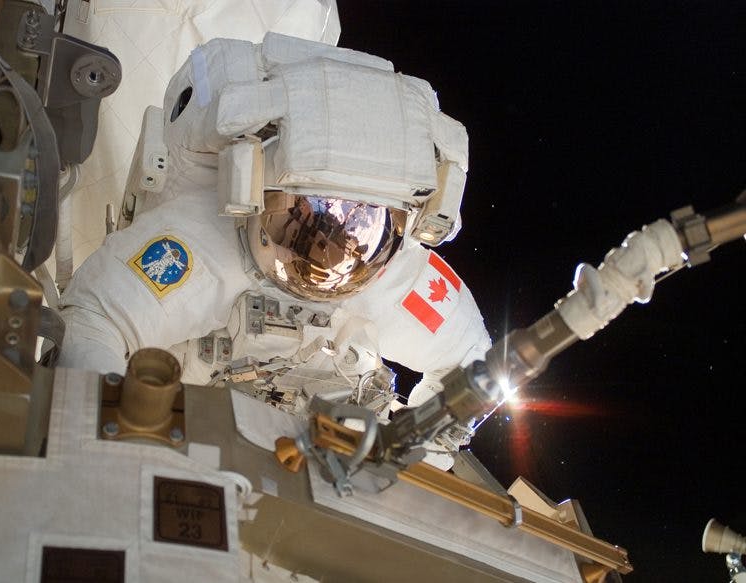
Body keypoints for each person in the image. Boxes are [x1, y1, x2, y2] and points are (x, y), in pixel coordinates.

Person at [57, 33, 491, 468]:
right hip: (188, 429)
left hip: (319, 459)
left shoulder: (396, 274)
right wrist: (123, 432)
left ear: (400, 225)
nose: (329, 258)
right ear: (255, 191)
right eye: (309, 219)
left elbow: (476, 366)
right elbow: (93, 320)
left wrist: (422, 452)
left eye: (358, 226)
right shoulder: (196, 243)